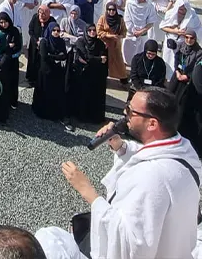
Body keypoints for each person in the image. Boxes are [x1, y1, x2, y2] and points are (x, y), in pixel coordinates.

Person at [61, 87, 202, 259]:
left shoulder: (152, 178)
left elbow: (129, 245)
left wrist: (88, 193)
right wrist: (121, 146)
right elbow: (153, 153)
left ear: (152, 124)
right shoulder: (184, 149)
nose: (124, 112)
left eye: (130, 110)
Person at [65, 24, 109, 126]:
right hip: (82, 74)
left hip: (95, 75)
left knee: (92, 96)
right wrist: (97, 59)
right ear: (86, 31)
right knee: (81, 95)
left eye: (94, 30)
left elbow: (104, 59)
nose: (92, 32)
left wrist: (91, 60)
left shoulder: (100, 43)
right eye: (90, 30)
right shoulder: (81, 41)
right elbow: (84, 56)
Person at [31, 21, 68, 120]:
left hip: (56, 72)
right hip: (45, 72)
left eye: (58, 30)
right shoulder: (44, 41)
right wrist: (57, 57)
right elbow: (44, 56)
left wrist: (53, 56)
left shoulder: (60, 41)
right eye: (54, 30)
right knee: (44, 92)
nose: (56, 32)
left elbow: (64, 55)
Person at [97, 2, 129, 80]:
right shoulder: (103, 18)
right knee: (103, 62)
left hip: (115, 44)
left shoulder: (120, 19)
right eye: (109, 9)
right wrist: (109, 35)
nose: (111, 11)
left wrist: (120, 36)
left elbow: (124, 31)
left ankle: (123, 79)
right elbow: (98, 31)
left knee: (118, 62)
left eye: (113, 10)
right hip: (104, 43)